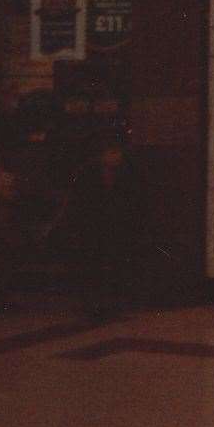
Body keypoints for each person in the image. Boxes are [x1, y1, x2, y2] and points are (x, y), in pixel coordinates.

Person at [0, 102, 69, 316]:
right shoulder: (33, 154)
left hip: (8, 209)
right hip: (9, 210)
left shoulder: (18, 152)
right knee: (2, 255)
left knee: (0, 255)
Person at [71, 131, 140, 318]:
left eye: (118, 153)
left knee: (116, 265)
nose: (116, 157)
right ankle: (93, 304)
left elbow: (132, 199)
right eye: (112, 152)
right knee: (93, 266)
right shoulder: (87, 173)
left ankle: (113, 303)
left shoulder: (126, 172)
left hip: (116, 225)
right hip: (93, 226)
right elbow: (79, 201)